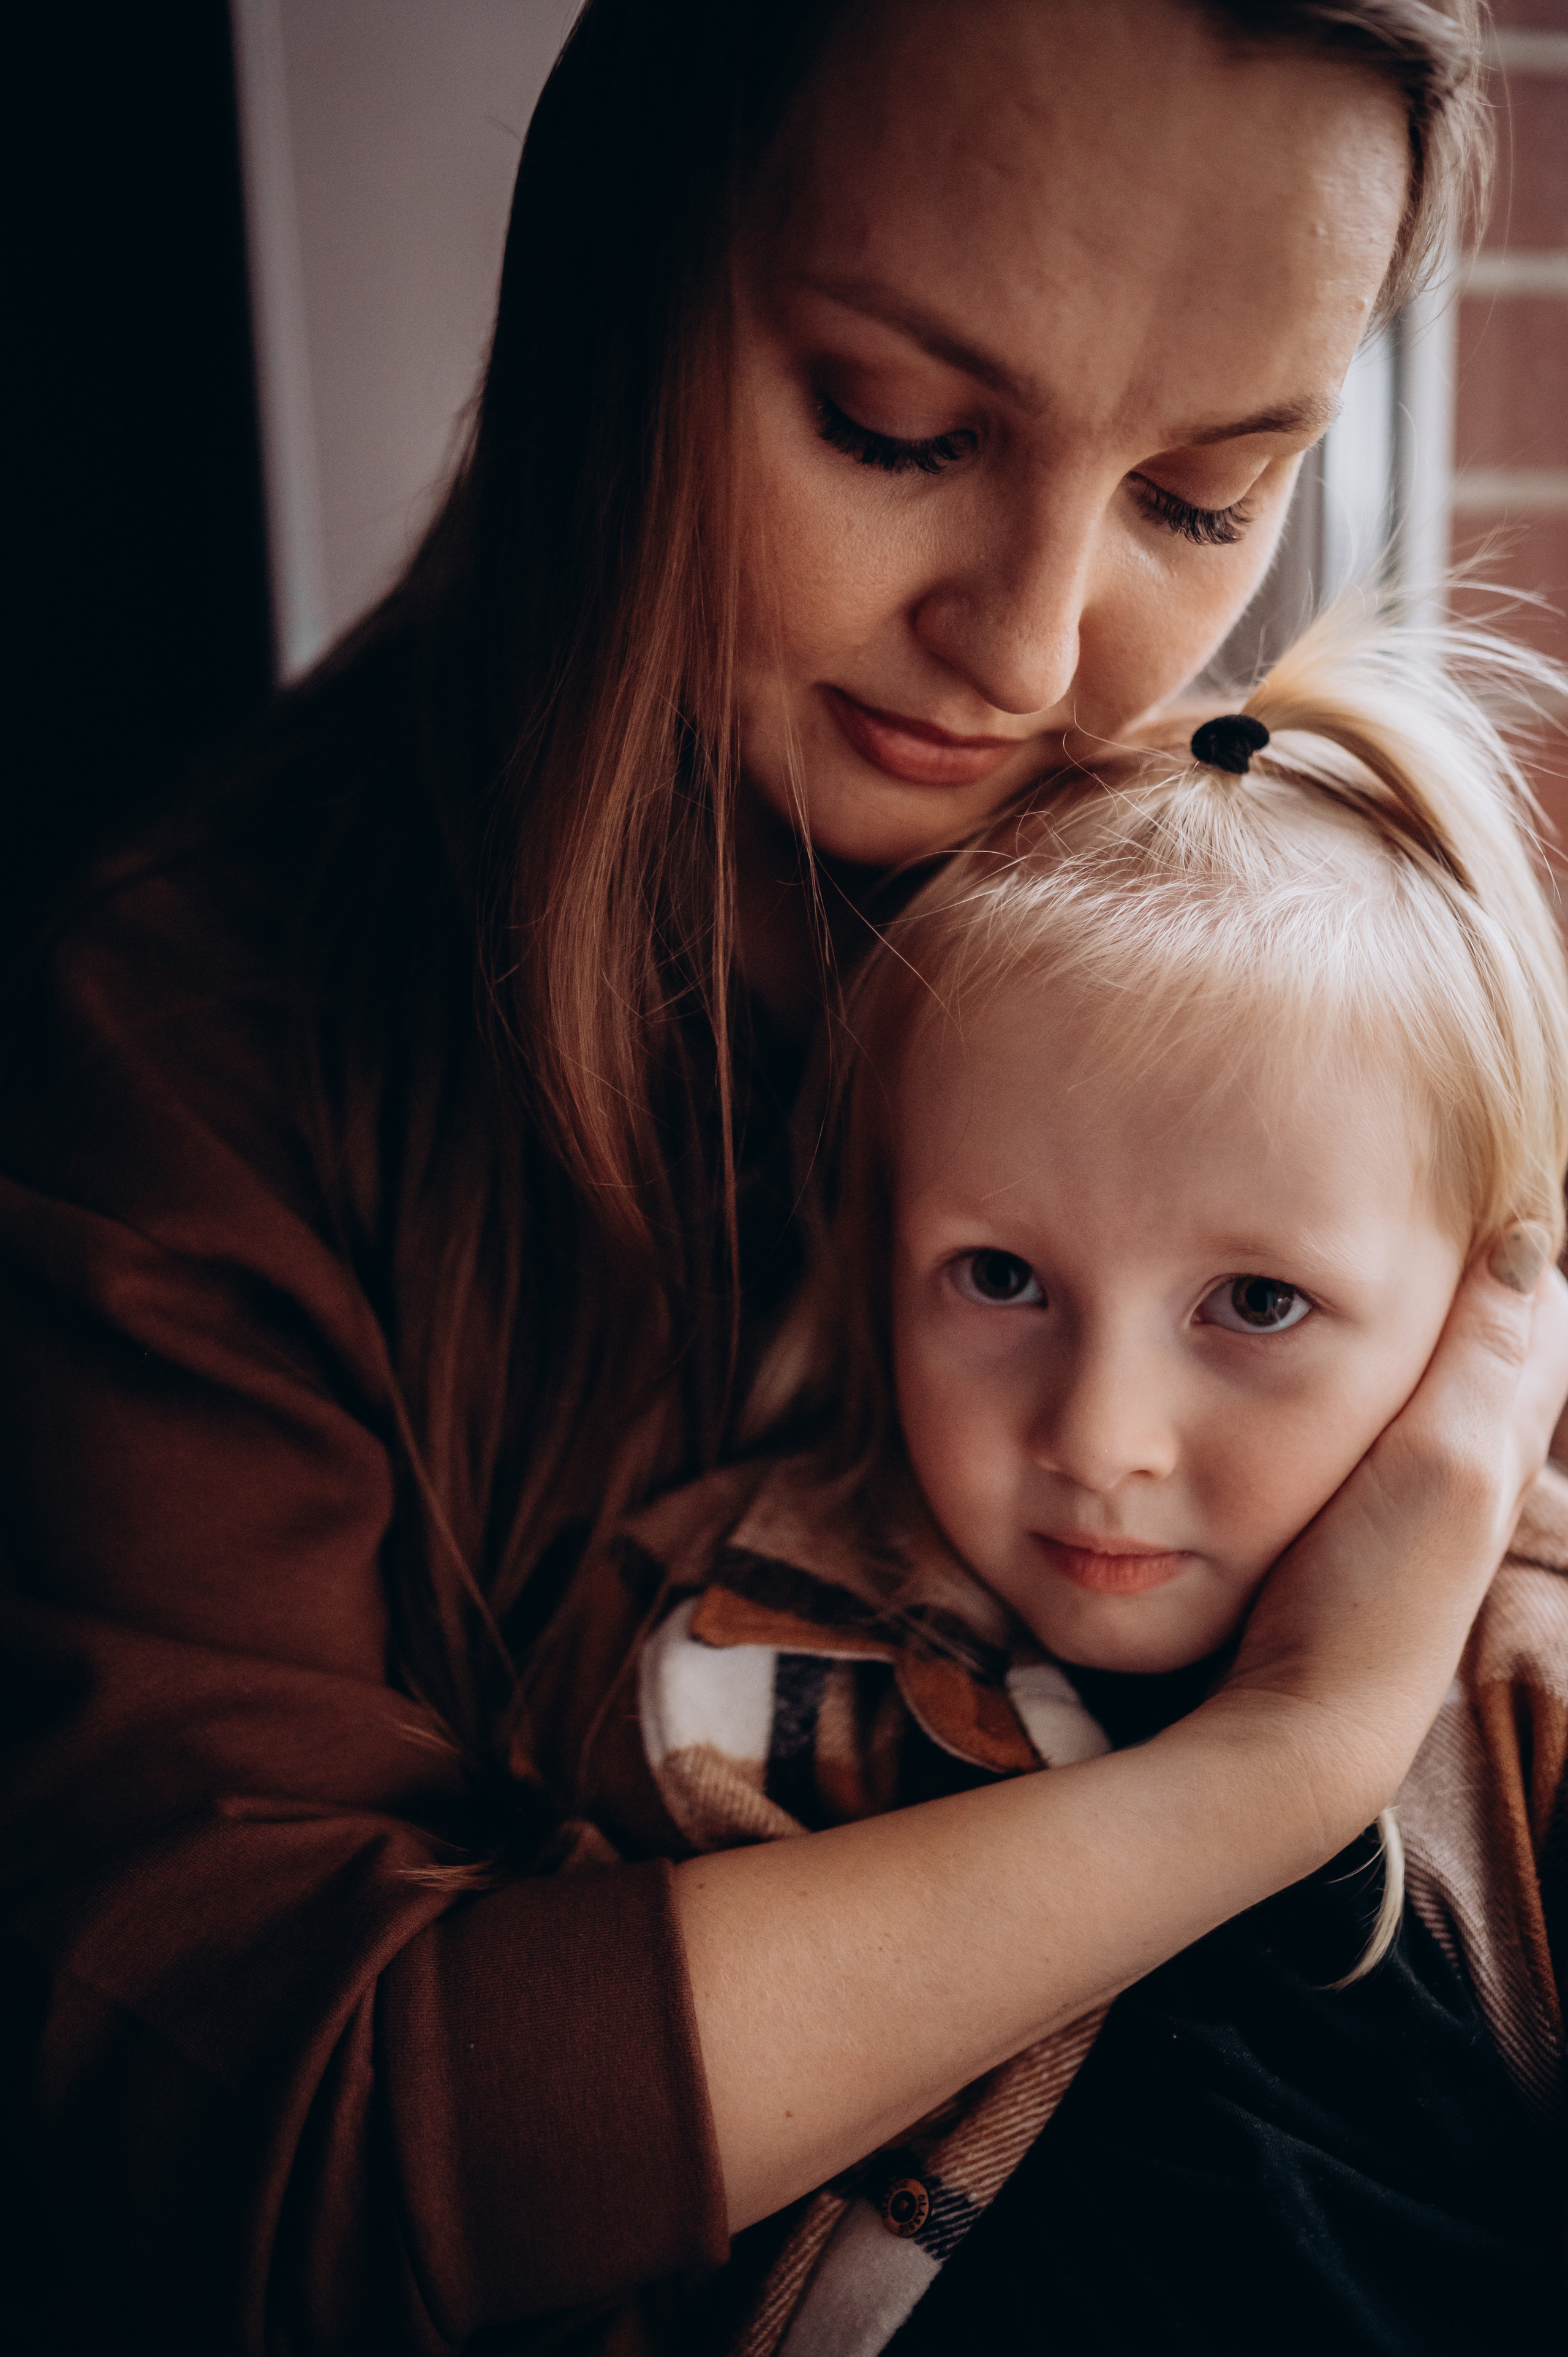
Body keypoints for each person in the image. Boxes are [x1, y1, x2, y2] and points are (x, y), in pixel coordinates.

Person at [2, 2, 1564, 2351]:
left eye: (1200, 499)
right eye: (895, 429)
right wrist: (1268, 1776)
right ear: (611, 293)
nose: (1036, 653)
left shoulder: (1243, 926)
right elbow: (268, 2154)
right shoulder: (179, 1063)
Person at [530, 611, 1568, 2352]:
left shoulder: (1529, 1717)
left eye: (1256, 1304)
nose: (1102, 1435)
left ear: (1485, 1309)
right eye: (1000, 1279)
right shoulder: (709, 1635)